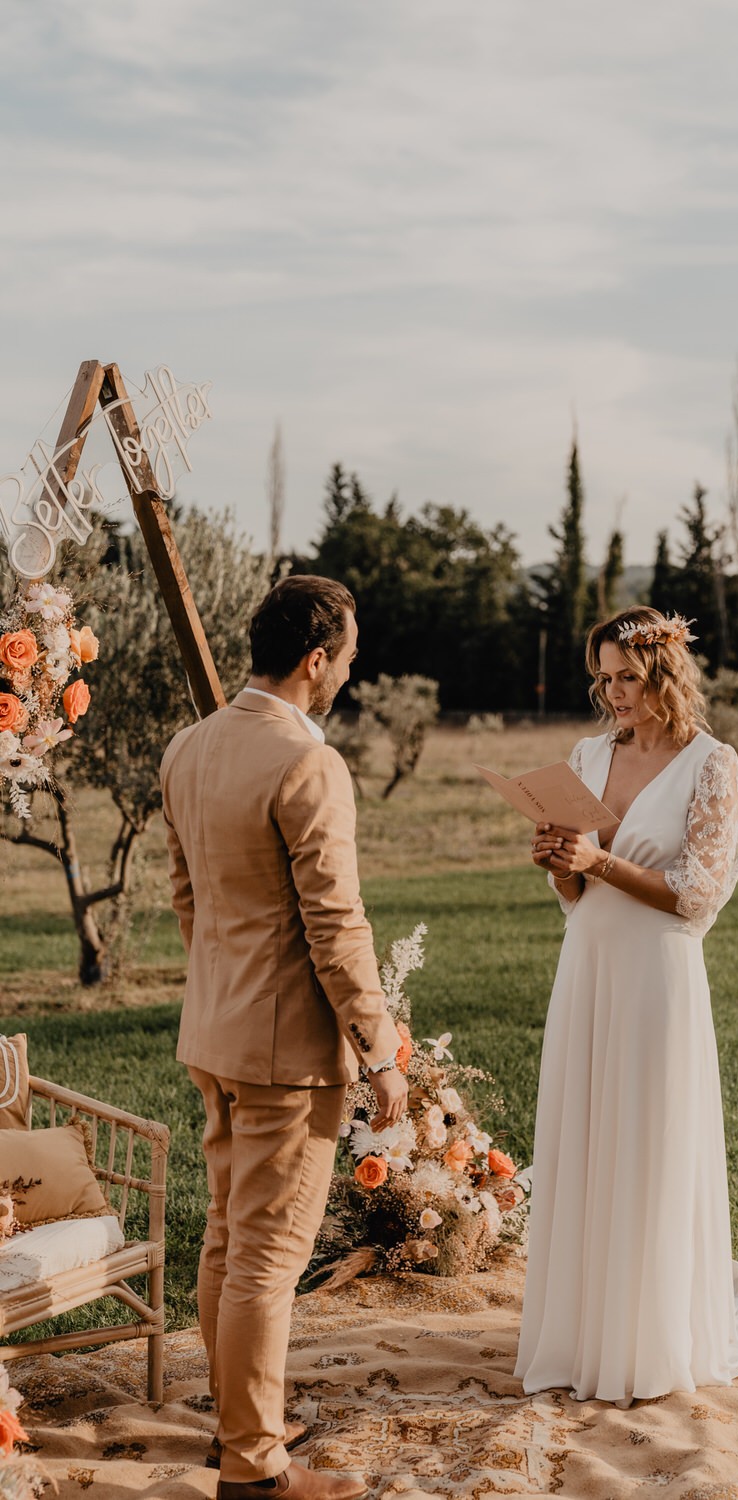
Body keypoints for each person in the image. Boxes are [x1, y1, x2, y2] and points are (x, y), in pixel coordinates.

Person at [161, 576, 408, 1500]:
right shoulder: (311, 763)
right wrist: (379, 1049)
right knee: (266, 1258)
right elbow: (336, 925)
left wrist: (226, 991)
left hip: (214, 1035)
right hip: (287, 1056)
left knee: (227, 1240)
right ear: (317, 660)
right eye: (348, 655)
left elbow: (190, 903)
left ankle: (238, 1422)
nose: (351, 668)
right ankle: (255, 1468)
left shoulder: (187, 749)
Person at [514, 606, 738, 1407]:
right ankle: (581, 1334)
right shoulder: (586, 755)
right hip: (588, 964)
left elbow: (697, 897)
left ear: (665, 672)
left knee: (647, 1137)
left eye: (627, 677)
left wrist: (599, 858)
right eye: (603, 677)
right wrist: (560, 861)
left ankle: (648, 1339)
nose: (613, 692)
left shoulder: (712, 763)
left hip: (658, 975)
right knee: (586, 1135)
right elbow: (572, 891)